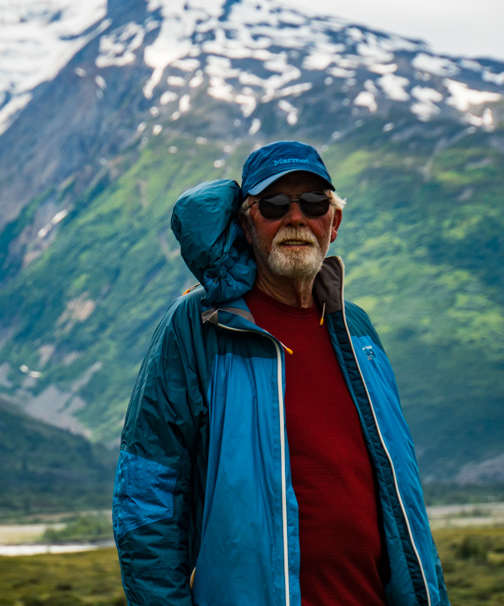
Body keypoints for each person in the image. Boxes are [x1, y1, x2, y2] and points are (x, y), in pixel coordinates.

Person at [112, 141, 449, 605]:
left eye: (313, 203)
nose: (295, 218)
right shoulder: (198, 327)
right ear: (247, 225)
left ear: (334, 223)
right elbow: (147, 498)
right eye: (272, 205)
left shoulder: (358, 332)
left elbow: (400, 499)